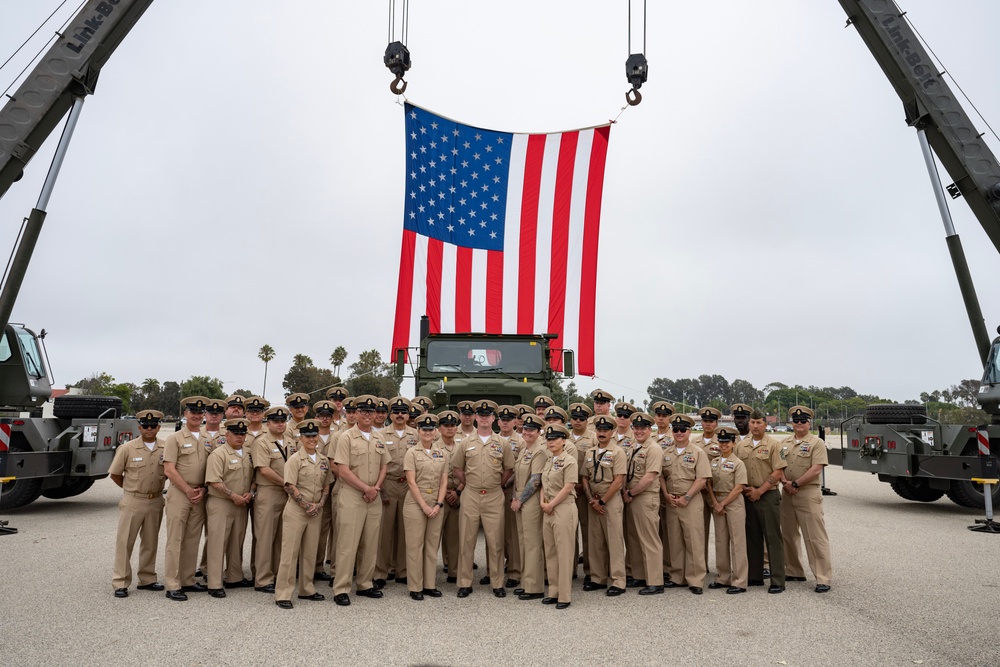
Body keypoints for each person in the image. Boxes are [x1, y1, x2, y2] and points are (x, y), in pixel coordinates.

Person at [451, 399, 514, 598]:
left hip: (494, 495)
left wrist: (498, 484)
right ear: (476, 417)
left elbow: (508, 469)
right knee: (466, 539)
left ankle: (497, 583)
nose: (484, 418)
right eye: (481, 415)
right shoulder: (466, 443)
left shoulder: (502, 443)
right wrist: (469, 482)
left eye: (488, 416)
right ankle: (465, 583)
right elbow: (457, 468)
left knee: (496, 541)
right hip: (471, 494)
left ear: (493, 418)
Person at [331, 395, 390, 606]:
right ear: (355, 414)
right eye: (363, 411)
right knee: (348, 543)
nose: (367, 415)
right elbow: (342, 470)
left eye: (370, 412)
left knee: (370, 542)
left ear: (375, 414)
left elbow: (384, 466)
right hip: (352, 495)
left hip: (373, 496)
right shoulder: (346, 437)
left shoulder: (379, 437)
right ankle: (341, 588)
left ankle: (365, 584)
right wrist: (366, 488)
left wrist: (375, 488)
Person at [109, 409, 167, 598]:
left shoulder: (165, 448)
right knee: (125, 541)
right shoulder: (127, 448)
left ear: (159, 427)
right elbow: (116, 474)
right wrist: (131, 489)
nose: (149, 429)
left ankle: (147, 578)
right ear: (139, 427)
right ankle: (121, 581)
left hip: (156, 499)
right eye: (145, 426)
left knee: (150, 542)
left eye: (153, 425)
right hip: (133, 500)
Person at [274, 418, 330, 609]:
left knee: (310, 552)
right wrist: (306, 505)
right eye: (307, 436)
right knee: (290, 553)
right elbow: (289, 486)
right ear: (301, 438)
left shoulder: (323, 460)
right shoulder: (295, 460)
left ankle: (307, 589)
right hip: (297, 511)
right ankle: (283, 593)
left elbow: (327, 485)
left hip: (316, 510)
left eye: (314, 435)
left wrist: (320, 504)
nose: (312, 439)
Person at [780, 406, 832, 593]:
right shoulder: (783, 443)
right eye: (796, 420)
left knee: (815, 536)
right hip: (786, 492)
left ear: (809, 423)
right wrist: (785, 482)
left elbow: (817, 468)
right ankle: (794, 570)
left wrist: (796, 484)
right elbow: (779, 465)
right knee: (788, 534)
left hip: (807, 493)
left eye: (803, 421)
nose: (799, 424)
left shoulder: (816, 443)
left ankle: (823, 577)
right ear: (791, 422)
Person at [162, 396, 210, 601]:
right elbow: (169, 469)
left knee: (192, 539)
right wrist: (188, 490)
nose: (197, 416)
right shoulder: (175, 439)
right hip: (180, 494)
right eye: (193, 412)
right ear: (185, 414)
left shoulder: (208, 439)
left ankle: (188, 579)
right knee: (175, 539)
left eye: (200, 413)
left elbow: (212, 468)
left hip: (200, 494)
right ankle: (172, 583)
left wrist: (204, 490)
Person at [736, 408, 787, 594]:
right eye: (752, 422)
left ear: (766, 424)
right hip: (748, 494)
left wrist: (760, 491)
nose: (755, 426)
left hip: (767, 495)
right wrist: (747, 490)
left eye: (759, 423)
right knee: (752, 537)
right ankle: (755, 576)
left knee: (772, 538)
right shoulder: (741, 446)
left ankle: (777, 580)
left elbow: (779, 471)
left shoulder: (774, 445)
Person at [660, 414, 712, 594]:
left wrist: (687, 497)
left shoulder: (698, 452)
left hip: (690, 501)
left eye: (683, 429)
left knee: (694, 541)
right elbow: (661, 476)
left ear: (689, 431)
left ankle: (696, 579)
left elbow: (702, 479)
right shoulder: (666, 452)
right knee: (674, 541)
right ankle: (677, 576)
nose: (679, 433)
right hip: (672, 502)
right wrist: (666, 494)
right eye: (676, 429)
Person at [204, 418, 255, 597]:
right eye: (236, 433)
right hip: (222, 503)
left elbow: (253, 477)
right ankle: (215, 583)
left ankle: (235, 577)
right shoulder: (219, 454)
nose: (240, 437)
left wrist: (251, 492)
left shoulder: (248, 453)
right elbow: (214, 480)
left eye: (243, 434)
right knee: (218, 543)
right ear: (227, 435)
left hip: (242, 503)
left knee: (236, 542)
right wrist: (233, 496)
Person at [402, 413, 449, 600]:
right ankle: (415, 587)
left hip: (436, 503)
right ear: (418, 432)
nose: (427, 433)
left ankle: (429, 584)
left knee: (431, 546)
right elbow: (411, 482)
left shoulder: (442, 453)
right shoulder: (411, 453)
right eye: (424, 430)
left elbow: (444, 481)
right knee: (415, 545)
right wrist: (424, 505)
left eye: (431, 430)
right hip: (416, 502)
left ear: (436, 432)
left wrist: (438, 504)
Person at [581, 415, 627, 596]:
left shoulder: (618, 452)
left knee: (614, 541)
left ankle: (618, 581)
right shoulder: (590, 452)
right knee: (595, 541)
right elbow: (584, 476)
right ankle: (597, 578)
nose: (602, 433)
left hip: (610, 500)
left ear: (612, 432)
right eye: (599, 430)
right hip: (593, 500)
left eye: (605, 430)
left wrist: (602, 501)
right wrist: (592, 498)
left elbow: (619, 481)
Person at [251, 406, 294, 594]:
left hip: (288, 494)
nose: (280, 424)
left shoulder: (292, 442)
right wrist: (286, 483)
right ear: (268, 423)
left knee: (281, 538)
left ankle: (278, 573)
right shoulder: (261, 442)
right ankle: (262, 579)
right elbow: (264, 469)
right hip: (269, 492)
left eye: (283, 421)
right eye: (276, 421)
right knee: (265, 537)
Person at [375, 396, 417, 588]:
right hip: (388, 483)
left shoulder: (416, 435)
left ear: (409, 414)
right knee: (384, 531)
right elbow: (376, 463)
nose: (400, 415)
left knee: (406, 529)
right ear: (390, 415)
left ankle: (403, 570)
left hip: (409, 485)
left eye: (403, 412)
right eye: (396, 412)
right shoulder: (380, 435)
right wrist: (380, 488)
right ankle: (381, 572)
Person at [623, 412, 664, 595]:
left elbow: (649, 477)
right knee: (634, 539)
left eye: (642, 428)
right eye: (636, 428)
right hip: (632, 497)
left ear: (650, 429)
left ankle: (656, 581)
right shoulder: (633, 446)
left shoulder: (653, 449)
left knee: (649, 540)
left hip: (645, 498)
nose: (638, 431)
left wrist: (631, 492)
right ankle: (639, 575)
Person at [539, 424, 578, 610]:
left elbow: (568, 486)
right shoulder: (549, 460)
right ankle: (553, 592)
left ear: (564, 440)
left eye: (555, 438)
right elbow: (542, 484)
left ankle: (564, 595)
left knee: (564, 553)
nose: (551, 442)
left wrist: (551, 504)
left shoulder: (569, 460)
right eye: (548, 439)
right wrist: (543, 503)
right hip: (547, 508)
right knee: (551, 552)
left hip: (562, 508)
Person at [509, 414, 547, 600]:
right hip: (520, 500)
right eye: (525, 429)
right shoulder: (525, 448)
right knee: (524, 542)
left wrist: (520, 500)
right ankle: (526, 582)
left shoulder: (539, 450)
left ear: (539, 432)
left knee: (532, 544)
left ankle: (535, 587)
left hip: (529, 501)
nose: (527, 432)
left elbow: (535, 480)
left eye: (531, 430)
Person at [709, 426, 748, 594]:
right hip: (717, 502)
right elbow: (708, 484)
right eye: (721, 441)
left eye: (727, 442)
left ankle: (739, 581)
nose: (723, 445)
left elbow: (739, 487)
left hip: (733, 503)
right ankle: (723, 577)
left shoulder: (738, 463)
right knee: (720, 540)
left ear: (733, 443)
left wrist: (722, 503)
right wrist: (715, 502)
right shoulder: (714, 462)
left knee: (737, 542)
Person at [568, 402, 597, 582]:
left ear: (587, 421)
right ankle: (570, 569)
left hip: (585, 491)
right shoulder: (563, 437)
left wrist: (583, 486)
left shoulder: (594, 438)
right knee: (569, 531)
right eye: (575, 418)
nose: (578, 421)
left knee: (588, 531)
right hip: (567, 491)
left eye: (582, 419)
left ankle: (589, 570)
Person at [312, 399, 339, 582]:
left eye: (328, 416)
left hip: (336, 486)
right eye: (321, 416)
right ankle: (315, 566)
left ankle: (336, 568)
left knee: (337, 528)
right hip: (315, 488)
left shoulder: (339, 436)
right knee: (318, 530)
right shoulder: (309, 435)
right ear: (316, 417)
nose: (324, 419)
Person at [497, 405, 524, 589]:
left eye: (509, 419)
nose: (506, 422)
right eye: (502, 419)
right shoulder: (492, 439)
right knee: (496, 532)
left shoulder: (521, 441)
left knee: (512, 533)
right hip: (492, 491)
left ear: (515, 421)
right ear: (498, 421)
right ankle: (497, 569)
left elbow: (518, 467)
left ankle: (514, 571)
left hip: (510, 489)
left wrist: (504, 482)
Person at [435, 411, 463, 583]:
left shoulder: (462, 446)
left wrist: (458, 490)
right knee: (433, 537)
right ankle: (429, 575)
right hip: (438, 495)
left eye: (453, 425)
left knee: (454, 537)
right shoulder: (432, 446)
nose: (450, 428)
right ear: (439, 428)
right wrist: (444, 492)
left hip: (457, 494)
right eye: (446, 425)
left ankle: (454, 572)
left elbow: (467, 471)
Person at [652, 400, 675, 581]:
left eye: (664, 416)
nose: (661, 418)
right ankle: (655, 565)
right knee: (654, 529)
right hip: (652, 489)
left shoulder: (675, 437)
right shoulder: (649, 437)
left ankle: (668, 566)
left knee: (668, 529)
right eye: (658, 415)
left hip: (667, 487)